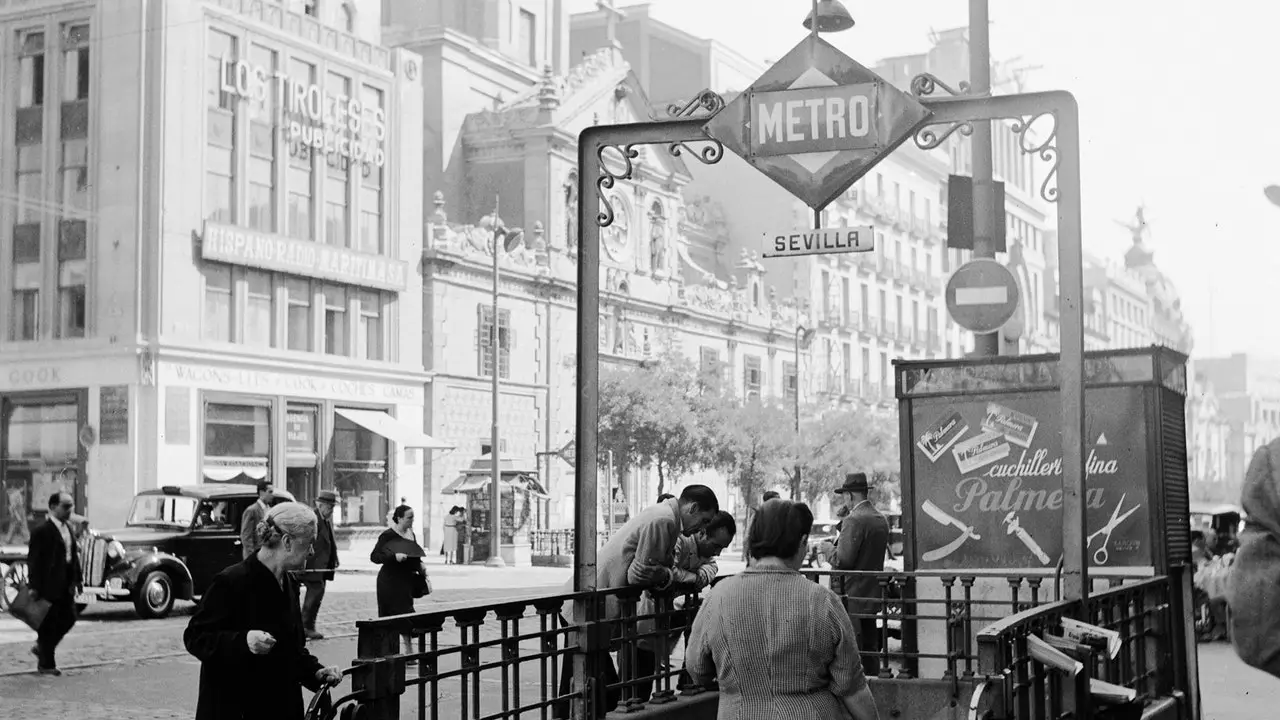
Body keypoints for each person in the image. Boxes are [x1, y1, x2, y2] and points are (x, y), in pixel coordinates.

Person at [685, 499, 880, 720]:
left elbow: (697, 669)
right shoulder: (823, 601)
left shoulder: (718, 597)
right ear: (803, 542)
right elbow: (851, 686)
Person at [555, 484, 719, 717]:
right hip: (589, 608)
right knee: (595, 686)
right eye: (704, 520)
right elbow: (639, 573)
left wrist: (663, 572)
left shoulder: (663, 515)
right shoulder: (665, 521)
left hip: (590, 605)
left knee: (582, 683)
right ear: (692, 508)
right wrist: (670, 575)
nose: (701, 529)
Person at [184, 502, 342, 719]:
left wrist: (315, 672)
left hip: (280, 706)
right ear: (287, 542)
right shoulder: (232, 581)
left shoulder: (289, 583)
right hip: (238, 708)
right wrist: (244, 641)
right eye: (309, 544)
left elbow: (291, 650)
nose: (312, 552)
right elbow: (196, 637)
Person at [635, 510, 737, 699]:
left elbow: (712, 566)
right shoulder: (680, 540)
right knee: (638, 683)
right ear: (702, 533)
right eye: (716, 545)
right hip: (646, 620)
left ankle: (688, 680)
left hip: (664, 621)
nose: (717, 552)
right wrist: (693, 577)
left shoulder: (704, 553)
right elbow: (669, 571)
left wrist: (699, 575)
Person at [831, 472, 890, 676]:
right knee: (870, 647)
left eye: (844, 496)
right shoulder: (879, 519)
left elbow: (842, 560)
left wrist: (827, 548)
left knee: (852, 650)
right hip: (871, 594)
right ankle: (874, 685)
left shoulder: (854, 520)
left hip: (852, 596)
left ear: (849, 495)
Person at [26, 491, 81, 675]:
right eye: (65, 506)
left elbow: (73, 557)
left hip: (66, 582)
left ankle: (42, 649)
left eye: (71, 506)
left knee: (70, 617)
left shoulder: (69, 529)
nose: (69, 510)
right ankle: (46, 665)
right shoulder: (42, 531)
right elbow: (33, 560)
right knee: (48, 624)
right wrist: (34, 586)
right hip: (48, 584)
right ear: (52, 507)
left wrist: (77, 580)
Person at [371, 505, 430, 660]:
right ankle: (391, 653)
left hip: (405, 582)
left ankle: (408, 651)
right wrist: (394, 556)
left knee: (406, 615)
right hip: (389, 582)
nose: (412, 520)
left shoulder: (411, 534)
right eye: (409, 517)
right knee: (391, 617)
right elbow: (375, 557)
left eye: (413, 517)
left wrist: (421, 565)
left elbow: (415, 556)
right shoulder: (388, 536)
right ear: (399, 518)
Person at [302, 490, 339, 640]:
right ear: (321, 505)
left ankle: (309, 626)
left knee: (317, 596)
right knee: (313, 596)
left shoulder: (325, 519)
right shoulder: (313, 519)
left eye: (332, 507)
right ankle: (305, 627)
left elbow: (329, 542)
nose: (331, 511)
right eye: (329, 507)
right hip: (313, 565)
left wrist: (334, 558)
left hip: (323, 566)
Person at [239, 481, 274, 560]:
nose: (272, 495)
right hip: (257, 554)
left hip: (268, 555)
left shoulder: (269, 509)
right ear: (262, 492)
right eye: (270, 492)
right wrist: (252, 557)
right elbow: (246, 536)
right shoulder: (252, 510)